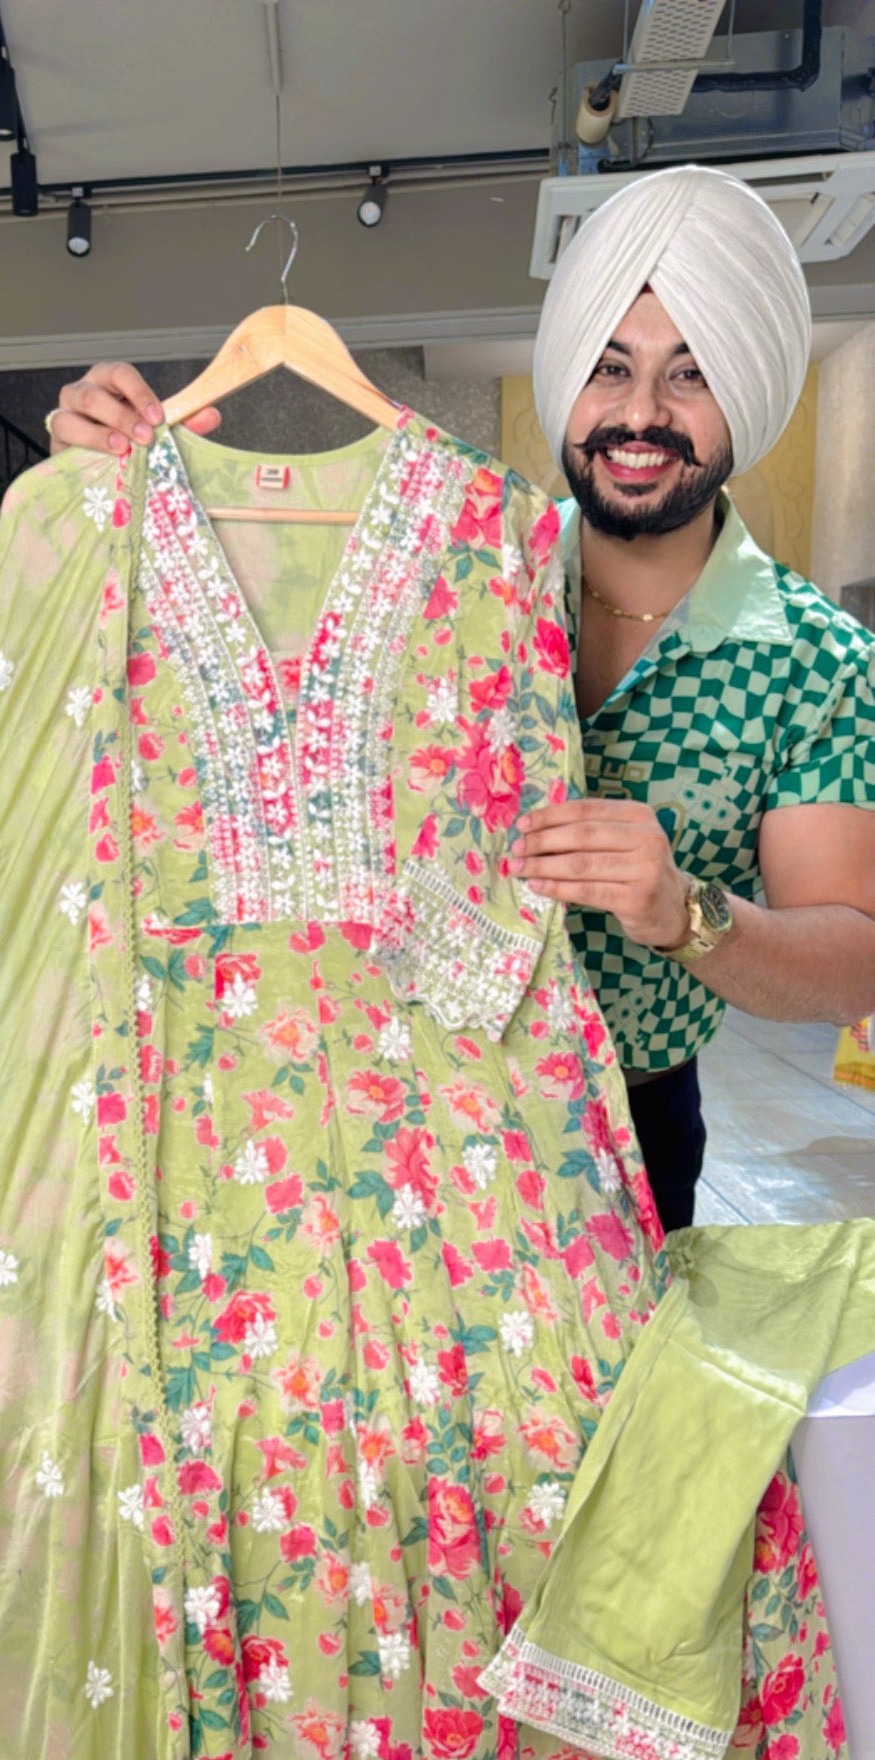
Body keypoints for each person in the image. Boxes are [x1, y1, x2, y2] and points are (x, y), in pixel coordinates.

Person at [47, 165, 875, 1230]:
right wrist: (100, 493)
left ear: (748, 392)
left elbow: (851, 953)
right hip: (392, 1098)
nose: (637, 413)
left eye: (691, 376)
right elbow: (238, 623)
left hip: (631, 1119)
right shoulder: (448, 561)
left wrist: (686, 913)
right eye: (610, 367)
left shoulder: (815, 662)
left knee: (617, 1400)